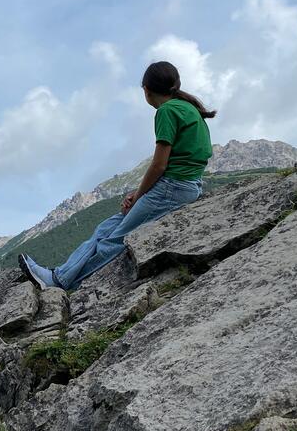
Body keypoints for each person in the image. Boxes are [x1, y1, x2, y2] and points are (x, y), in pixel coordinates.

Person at [19, 60, 214, 291]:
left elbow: (159, 164)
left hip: (172, 188)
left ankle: (62, 283)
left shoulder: (166, 111)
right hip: (182, 186)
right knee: (105, 228)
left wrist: (139, 196)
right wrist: (138, 196)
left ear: (146, 90)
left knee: (116, 239)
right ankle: (59, 275)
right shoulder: (189, 108)